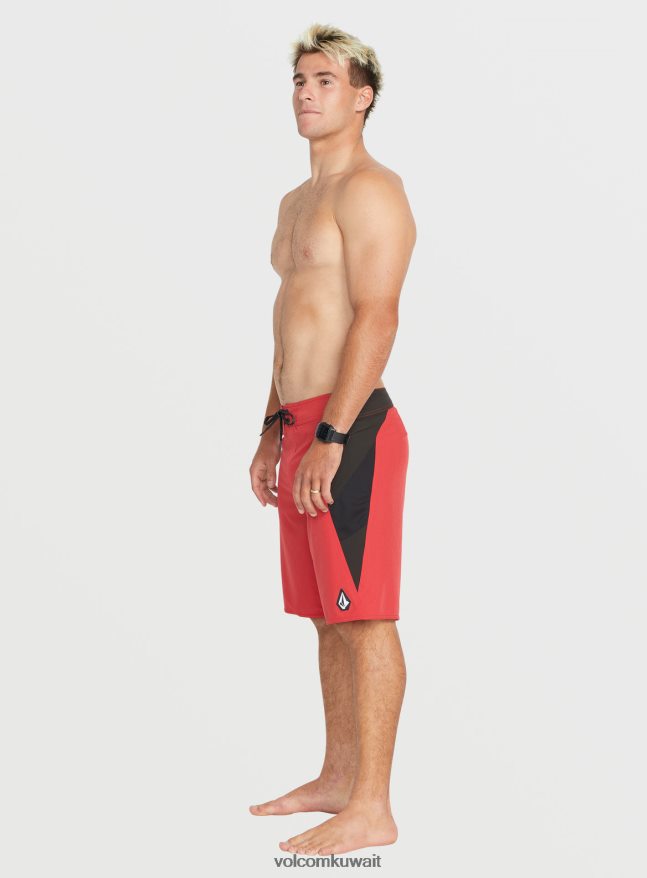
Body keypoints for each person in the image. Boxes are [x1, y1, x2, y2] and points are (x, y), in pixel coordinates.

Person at [248, 23, 416, 856]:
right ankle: (339, 778)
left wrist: (334, 434)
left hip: (352, 430)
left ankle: (373, 808)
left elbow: (376, 317)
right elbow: (294, 322)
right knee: (325, 615)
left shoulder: (372, 191)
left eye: (325, 81)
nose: (307, 94)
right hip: (302, 424)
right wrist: (272, 430)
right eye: (300, 81)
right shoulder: (295, 203)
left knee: (365, 615)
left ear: (362, 97)